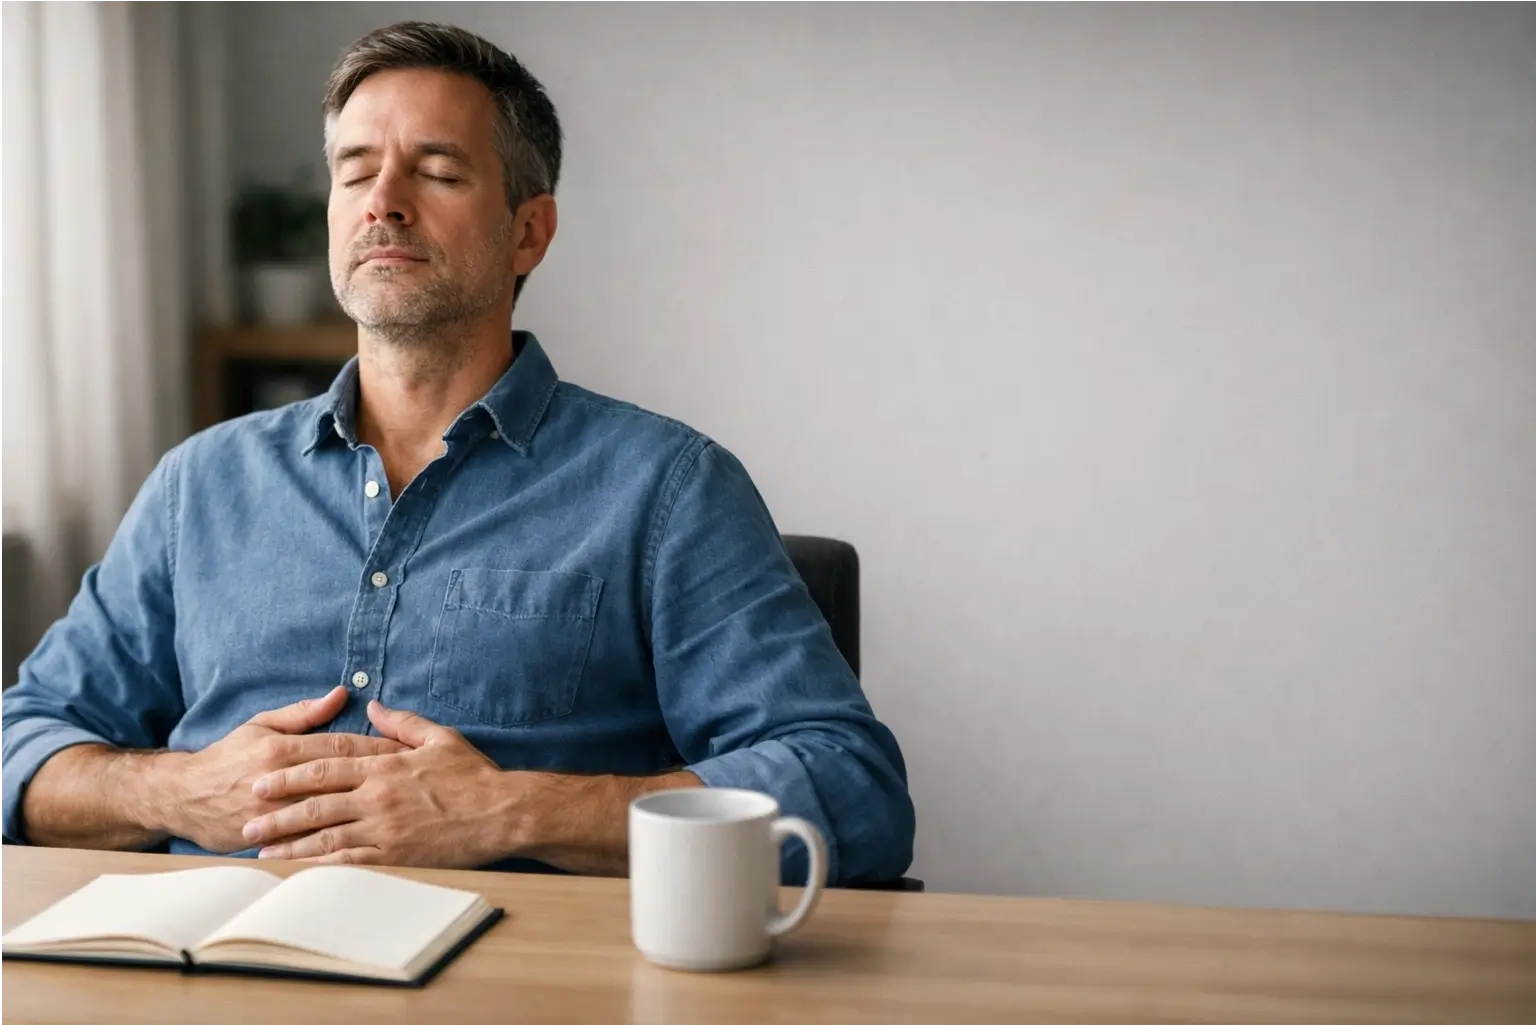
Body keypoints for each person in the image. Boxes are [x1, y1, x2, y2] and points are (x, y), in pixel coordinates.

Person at [0, 21, 914, 885]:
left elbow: (849, 787)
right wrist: (178, 790)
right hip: (204, 973)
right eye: (355, 171)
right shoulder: (197, 487)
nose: (383, 204)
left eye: (436, 171)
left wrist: (510, 811)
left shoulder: (668, 488)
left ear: (529, 232)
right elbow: (23, 747)